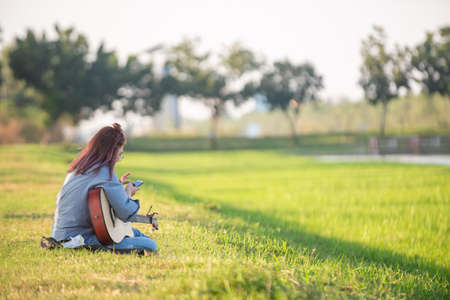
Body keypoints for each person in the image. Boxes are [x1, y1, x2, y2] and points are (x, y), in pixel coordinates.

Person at [50, 123, 157, 252]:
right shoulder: (105, 173)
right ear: (111, 152)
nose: (118, 160)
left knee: (135, 233)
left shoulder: (79, 167)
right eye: (119, 155)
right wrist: (128, 191)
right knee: (151, 245)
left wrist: (116, 185)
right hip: (81, 240)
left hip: (59, 235)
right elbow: (126, 213)